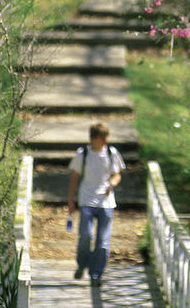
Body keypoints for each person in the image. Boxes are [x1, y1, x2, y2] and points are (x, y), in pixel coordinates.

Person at [67, 122, 125, 286]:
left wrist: (112, 184)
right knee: (86, 236)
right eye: (103, 138)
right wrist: (71, 201)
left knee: (102, 240)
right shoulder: (82, 154)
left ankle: (96, 274)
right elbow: (74, 178)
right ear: (95, 138)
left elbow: (117, 175)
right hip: (86, 200)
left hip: (106, 203)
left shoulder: (111, 153)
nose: (106, 140)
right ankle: (82, 264)